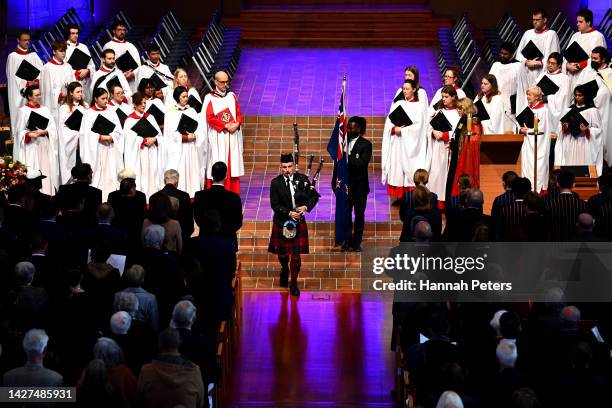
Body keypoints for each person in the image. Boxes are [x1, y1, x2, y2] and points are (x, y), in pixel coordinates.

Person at [268, 153, 320, 296]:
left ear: (293, 166)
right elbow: (274, 204)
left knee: (296, 256)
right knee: (282, 254)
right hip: (282, 221)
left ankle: (294, 282)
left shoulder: (302, 179)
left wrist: (306, 207)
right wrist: (289, 213)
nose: (287, 170)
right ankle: (284, 268)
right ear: (280, 167)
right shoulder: (275, 183)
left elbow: (314, 196)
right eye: (284, 167)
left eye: (289, 166)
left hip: (298, 223)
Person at [382, 79, 428, 199]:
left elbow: (419, 127)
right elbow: (389, 122)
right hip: (397, 142)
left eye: (407, 89)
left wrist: (402, 130)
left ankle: (410, 195)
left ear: (414, 90)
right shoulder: (398, 104)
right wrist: (393, 128)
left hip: (410, 144)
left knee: (409, 170)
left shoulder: (419, 107)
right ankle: (400, 197)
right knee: (398, 168)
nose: (405, 91)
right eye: (403, 89)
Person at [138, 328, 205, 408]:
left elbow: (140, 401)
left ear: (159, 344)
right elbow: (200, 403)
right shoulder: (194, 371)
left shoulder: (146, 371)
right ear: (179, 343)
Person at [79, 87, 124, 200]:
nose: (106, 101)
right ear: (95, 98)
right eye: (103, 98)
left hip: (110, 149)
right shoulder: (88, 113)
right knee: (97, 176)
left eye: (107, 98)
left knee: (111, 174)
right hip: (96, 149)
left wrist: (111, 137)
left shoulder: (111, 111)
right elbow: (85, 134)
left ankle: (111, 198)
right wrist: (99, 137)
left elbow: (119, 131)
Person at [203, 70, 244, 194]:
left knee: (232, 165)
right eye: (222, 82)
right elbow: (209, 117)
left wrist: (237, 123)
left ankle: (233, 194)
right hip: (219, 137)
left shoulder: (232, 96)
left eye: (227, 82)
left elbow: (238, 113)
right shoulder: (209, 98)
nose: (225, 85)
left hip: (232, 136)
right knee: (219, 162)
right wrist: (225, 125)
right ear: (215, 82)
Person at [14, 84, 59, 196]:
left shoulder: (45, 109)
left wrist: (45, 131)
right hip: (32, 146)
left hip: (44, 144)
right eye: (37, 95)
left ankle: (48, 194)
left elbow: (52, 127)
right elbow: (19, 131)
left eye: (40, 94)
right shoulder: (23, 111)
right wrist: (29, 134)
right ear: (29, 97)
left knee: (46, 169)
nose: (39, 97)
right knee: (34, 168)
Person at [336, 116, 372, 251]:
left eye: (352, 127)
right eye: (348, 127)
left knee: (359, 215)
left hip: (360, 187)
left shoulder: (366, 144)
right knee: (346, 214)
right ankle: (346, 240)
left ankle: (356, 242)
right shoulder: (343, 143)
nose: (349, 130)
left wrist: (346, 156)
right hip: (347, 186)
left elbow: (361, 163)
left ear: (360, 129)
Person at [515, 8, 560, 114]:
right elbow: (519, 55)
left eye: (537, 19)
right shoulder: (528, 34)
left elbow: (553, 56)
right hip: (527, 73)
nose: (535, 21)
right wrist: (526, 62)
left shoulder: (551, 34)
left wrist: (540, 63)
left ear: (544, 20)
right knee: (527, 99)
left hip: (541, 72)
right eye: (533, 19)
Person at [165, 86, 207, 196]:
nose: (186, 99)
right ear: (177, 98)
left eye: (187, 96)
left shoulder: (192, 111)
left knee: (192, 170)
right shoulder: (170, 113)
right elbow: (170, 133)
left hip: (191, 147)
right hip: (179, 148)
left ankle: (193, 193)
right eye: (183, 97)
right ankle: (182, 193)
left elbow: (199, 127)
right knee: (181, 170)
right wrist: (184, 138)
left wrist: (195, 135)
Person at [124, 92, 165, 199]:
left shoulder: (150, 117)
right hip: (139, 154)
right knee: (142, 176)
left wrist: (155, 139)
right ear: (134, 104)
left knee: (152, 175)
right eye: (141, 103)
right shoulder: (130, 120)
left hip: (151, 152)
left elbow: (159, 135)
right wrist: (142, 140)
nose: (143, 105)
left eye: (144, 103)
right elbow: (129, 140)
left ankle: (153, 198)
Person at [576, 47, 611, 169]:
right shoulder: (587, 70)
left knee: (602, 142)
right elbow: (578, 86)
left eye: (595, 58)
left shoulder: (609, 73)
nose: (592, 60)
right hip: (586, 110)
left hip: (602, 112)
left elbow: (606, 94)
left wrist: (593, 99)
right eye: (591, 58)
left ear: (604, 59)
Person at [194, 162, 243, 250]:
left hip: (206, 241)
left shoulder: (200, 196)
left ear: (212, 175)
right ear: (225, 176)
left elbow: (198, 219)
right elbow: (238, 222)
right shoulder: (233, 197)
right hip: (227, 241)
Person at [426, 85, 461, 206]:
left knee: (445, 176)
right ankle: (434, 200)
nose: (444, 99)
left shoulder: (458, 114)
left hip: (447, 149)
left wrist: (445, 135)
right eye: (442, 97)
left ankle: (444, 202)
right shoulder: (439, 111)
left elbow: (458, 131)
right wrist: (433, 132)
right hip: (437, 147)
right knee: (435, 174)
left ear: (453, 97)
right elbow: (429, 127)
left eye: (446, 97)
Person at [6, 29, 44, 141]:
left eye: (28, 40)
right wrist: (26, 83)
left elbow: (41, 72)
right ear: (18, 40)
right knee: (20, 120)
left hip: (33, 92)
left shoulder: (33, 55)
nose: (27, 42)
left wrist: (37, 81)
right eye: (24, 40)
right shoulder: (13, 56)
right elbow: (12, 77)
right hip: (19, 94)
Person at [555, 85, 601, 170]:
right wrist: (564, 127)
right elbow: (560, 126)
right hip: (570, 141)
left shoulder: (592, 110)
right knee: (570, 163)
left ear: (586, 96)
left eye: (580, 95)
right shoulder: (568, 110)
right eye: (576, 95)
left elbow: (598, 130)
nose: (577, 97)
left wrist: (587, 130)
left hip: (584, 142)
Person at [564, 8, 607, 92]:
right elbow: (566, 54)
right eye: (577, 21)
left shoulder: (597, 36)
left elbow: (597, 59)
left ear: (588, 22)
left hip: (586, 75)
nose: (577, 24)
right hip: (571, 74)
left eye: (580, 22)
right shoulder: (575, 35)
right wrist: (566, 65)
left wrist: (579, 65)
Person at [519, 86, 551, 193]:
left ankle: (537, 191)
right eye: (527, 94)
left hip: (538, 145)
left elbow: (542, 129)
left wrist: (527, 131)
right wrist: (521, 129)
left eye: (530, 95)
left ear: (537, 97)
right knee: (526, 166)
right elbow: (522, 124)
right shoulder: (527, 109)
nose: (528, 97)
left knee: (537, 167)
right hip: (527, 143)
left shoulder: (543, 110)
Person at [448, 98, 481, 199]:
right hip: (457, 153)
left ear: (466, 108)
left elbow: (473, 140)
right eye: (457, 108)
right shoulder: (463, 119)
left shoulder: (474, 121)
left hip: (464, 156)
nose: (458, 110)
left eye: (460, 108)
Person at [58, 82, 88, 184]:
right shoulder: (64, 108)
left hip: (83, 142)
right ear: (71, 93)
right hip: (72, 144)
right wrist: (78, 134)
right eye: (78, 92)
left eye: (81, 91)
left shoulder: (85, 106)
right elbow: (63, 129)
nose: (80, 94)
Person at [544, 170, 587, 241]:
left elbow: (546, 226)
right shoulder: (582, 204)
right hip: (576, 242)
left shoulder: (550, 204)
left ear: (557, 184)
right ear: (573, 184)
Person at [489, 42, 523, 131]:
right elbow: (489, 82)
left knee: (508, 129)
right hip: (496, 102)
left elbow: (522, 87)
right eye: (501, 53)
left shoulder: (517, 66)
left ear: (512, 54)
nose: (502, 56)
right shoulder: (495, 65)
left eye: (505, 54)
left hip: (510, 104)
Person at [534, 52, 571, 131]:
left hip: (552, 110)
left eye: (553, 63)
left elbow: (563, 98)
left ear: (559, 65)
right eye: (548, 62)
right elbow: (534, 90)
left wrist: (547, 98)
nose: (549, 65)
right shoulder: (542, 75)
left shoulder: (564, 78)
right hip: (541, 109)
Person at [103, 20, 141, 93]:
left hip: (132, 81)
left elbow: (138, 65)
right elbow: (105, 66)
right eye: (119, 30)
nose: (122, 32)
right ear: (114, 31)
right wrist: (121, 75)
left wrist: (133, 73)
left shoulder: (131, 46)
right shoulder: (108, 46)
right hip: (116, 82)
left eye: (124, 30)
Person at [40, 40, 74, 119]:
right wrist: (60, 95)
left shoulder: (68, 67)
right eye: (61, 51)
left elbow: (73, 84)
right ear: (54, 51)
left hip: (68, 104)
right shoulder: (47, 68)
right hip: (55, 107)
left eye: (64, 51)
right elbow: (47, 92)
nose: (63, 53)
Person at [64, 24, 96, 102]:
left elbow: (92, 65)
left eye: (77, 33)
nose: (75, 35)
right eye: (73, 33)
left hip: (85, 83)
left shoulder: (83, 47)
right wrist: (77, 73)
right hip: (73, 83)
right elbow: (63, 68)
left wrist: (87, 71)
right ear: (68, 34)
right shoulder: (64, 48)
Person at [161, 169, 194, 242]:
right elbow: (189, 221)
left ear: (164, 181)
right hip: (181, 236)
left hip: (161, 238)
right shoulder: (184, 196)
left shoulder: (154, 197)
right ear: (177, 182)